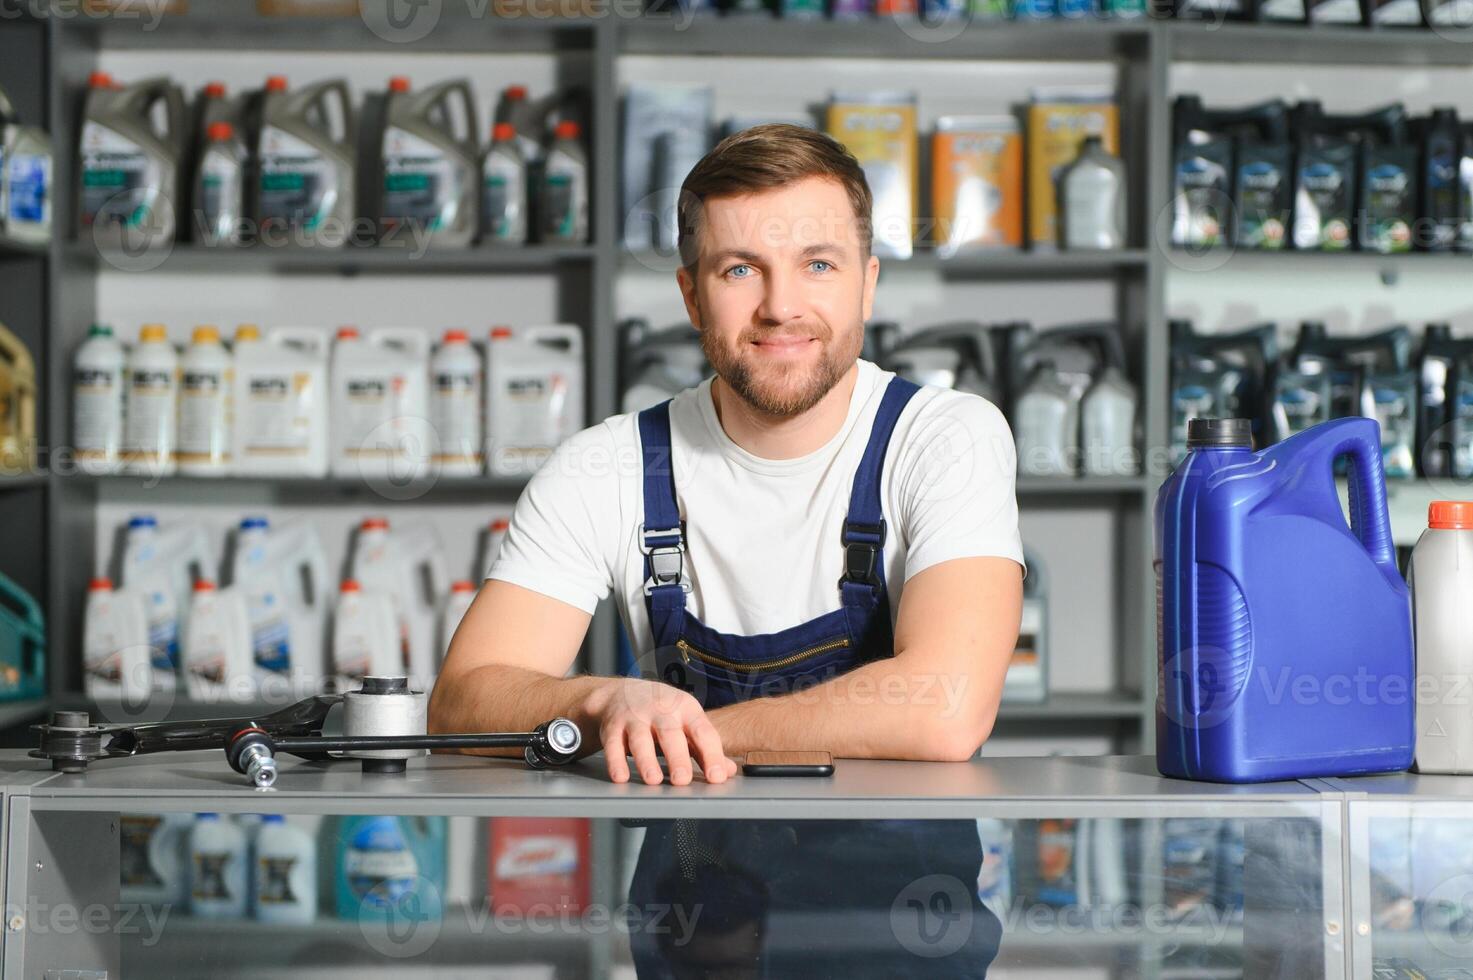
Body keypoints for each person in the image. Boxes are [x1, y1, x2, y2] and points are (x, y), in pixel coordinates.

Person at [430, 123, 1025, 976]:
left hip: (897, 939)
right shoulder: (606, 465)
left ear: (868, 284)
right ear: (689, 293)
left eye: (818, 264)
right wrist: (605, 704)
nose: (780, 306)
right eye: (739, 269)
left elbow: (943, 709)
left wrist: (689, 734)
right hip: (700, 942)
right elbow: (461, 705)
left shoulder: (944, 437)